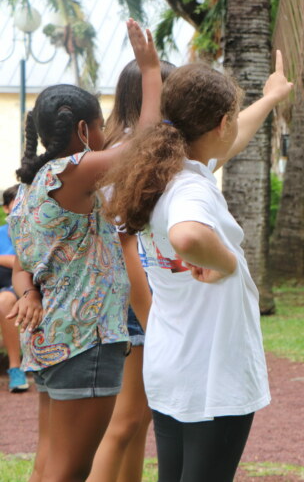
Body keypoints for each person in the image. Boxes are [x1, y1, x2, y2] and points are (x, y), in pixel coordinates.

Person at [101, 54, 293, 482]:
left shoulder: (154, 176)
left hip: (175, 363)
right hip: (211, 369)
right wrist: (226, 259)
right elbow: (188, 236)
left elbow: (232, 137)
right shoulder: (188, 186)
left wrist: (271, 97)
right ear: (221, 123)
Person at [7, 19, 161, 482]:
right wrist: (150, 70)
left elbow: (22, 266)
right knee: (72, 470)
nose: (103, 133)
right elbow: (146, 141)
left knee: (49, 461)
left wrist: (29, 293)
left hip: (53, 339)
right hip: (84, 340)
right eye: (98, 125)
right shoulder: (70, 172)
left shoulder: (30, 187)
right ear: (81, 129)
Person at [87, 58, 177, 482]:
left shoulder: (117, 148)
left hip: (127, 291)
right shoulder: (130, 155)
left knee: (138, 419)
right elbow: (124, 242)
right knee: (126, 420)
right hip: (134, 293)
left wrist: (269, 99)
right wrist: (150, 315)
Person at [0, 184, 27, 393]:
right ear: (6, 208)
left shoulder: (34, 230)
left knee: (5, 301)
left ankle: (17, 368)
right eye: (16, 201)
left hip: (30, 287)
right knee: (4, 301)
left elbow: (28, 263)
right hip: (6, 286)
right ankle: (15, 368)